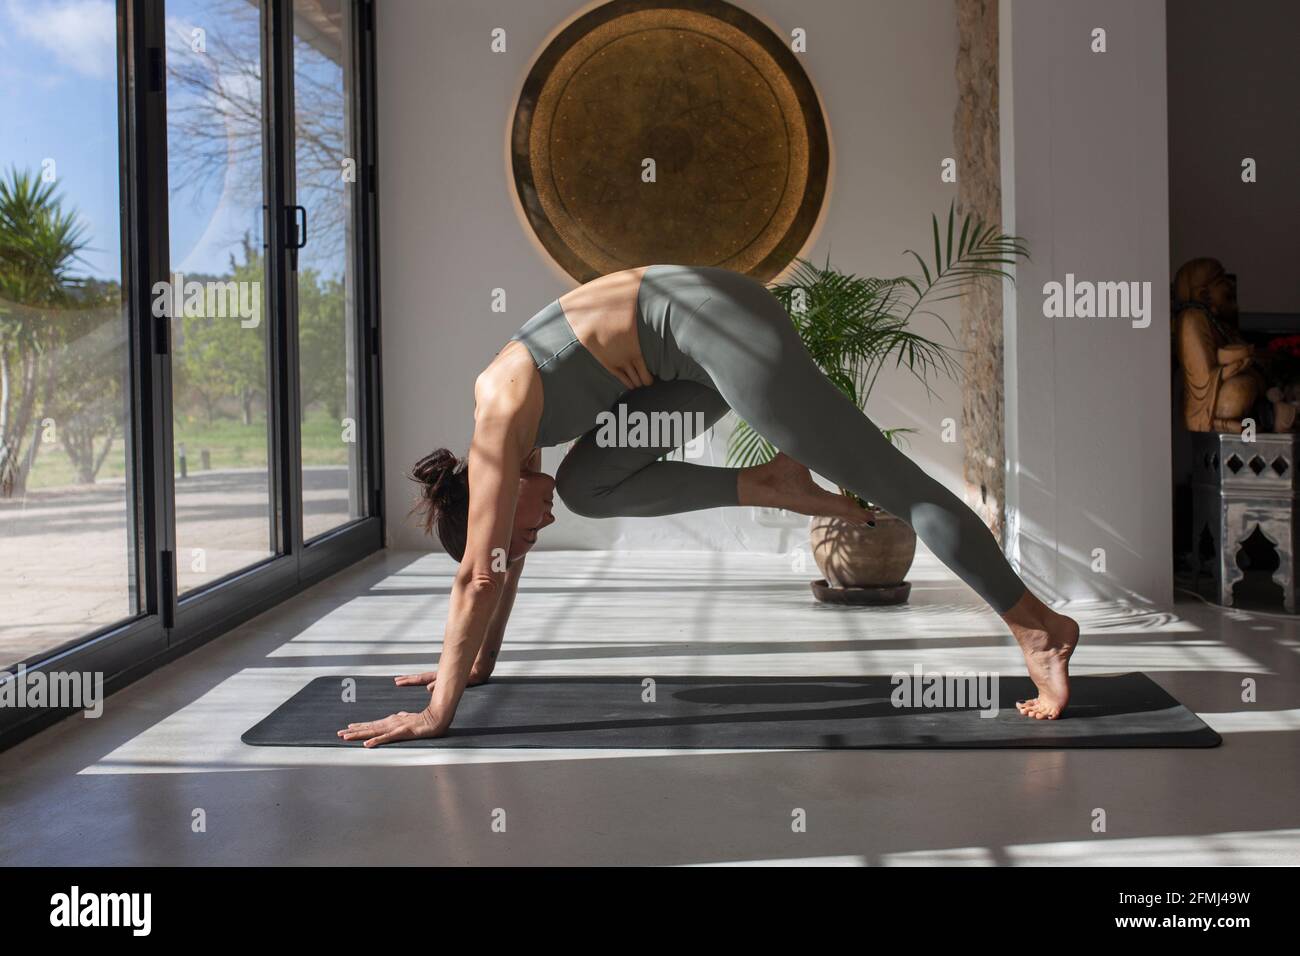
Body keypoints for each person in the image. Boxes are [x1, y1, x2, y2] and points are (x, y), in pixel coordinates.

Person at [337, 265, 1080, 746]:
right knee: (588, 489)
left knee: (895, 486)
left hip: (720, 330)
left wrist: (439, 713)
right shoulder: (510, 441)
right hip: (693, 341)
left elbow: (480, 576)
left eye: (524, 533)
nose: (539, 529)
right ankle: (767, 486)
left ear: (488, 501)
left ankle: (1038, 627)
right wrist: (476, 665)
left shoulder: (499, 421)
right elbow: (499, 567)